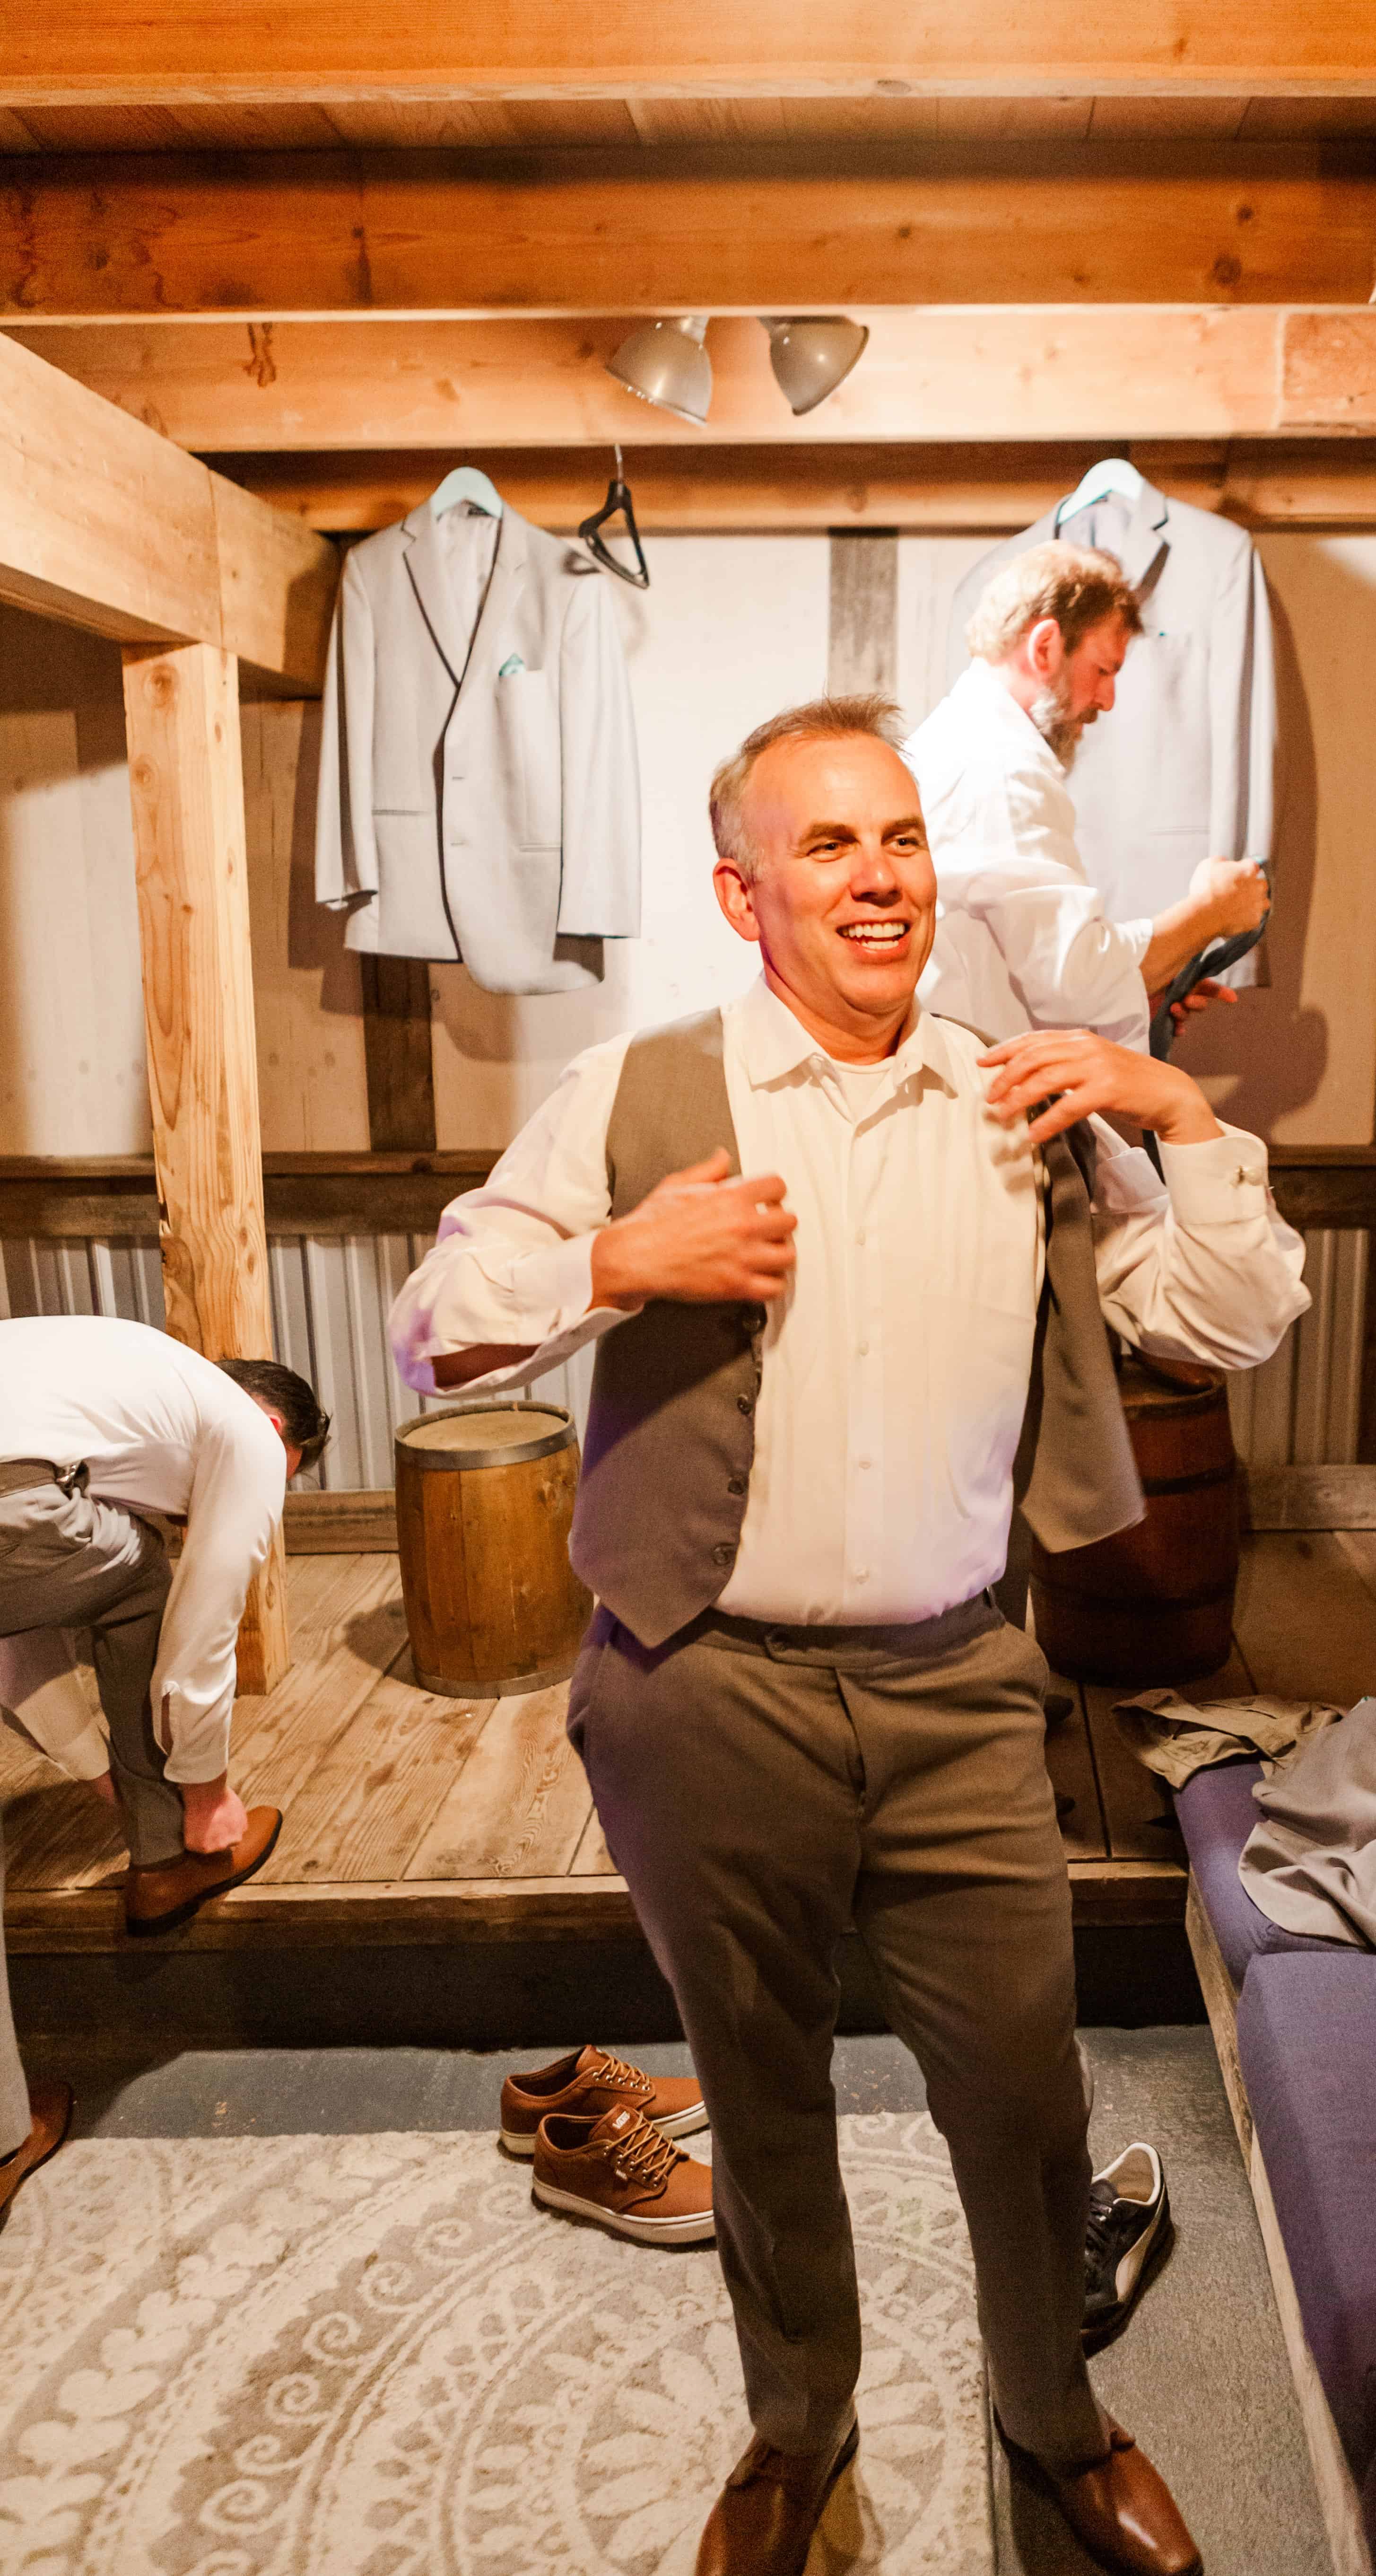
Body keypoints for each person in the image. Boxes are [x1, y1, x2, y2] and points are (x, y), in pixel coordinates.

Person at [390, 694, 1309, 2576]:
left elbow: (1221, 1318)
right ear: (745, 892)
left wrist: (1185, 1114)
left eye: (901, 837)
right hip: (700, 1687)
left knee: (1025, 2091)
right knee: (758, 2090)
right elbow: (434, 1325)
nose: (881, 875)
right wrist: (615, 1259)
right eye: (828, 843)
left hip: (963, 1685)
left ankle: (1053, 2415)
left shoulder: (1021, 1096)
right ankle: (798, 2425)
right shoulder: (640, 1092)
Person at [0, 1318, 327, 2221]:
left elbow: (12, 1632)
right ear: (274, 1429)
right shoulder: (246, 1435)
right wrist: (208, 1794)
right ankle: (169, 1856)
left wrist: (94, 1769)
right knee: (145, 1575)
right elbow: (204, 1623)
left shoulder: (95, 1379)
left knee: (109, 1559)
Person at [908, 541, 1271, 1056]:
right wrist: (1212, 912)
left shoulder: (959, 739)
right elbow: (1074, 980)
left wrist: (1145, 985)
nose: (1108, 700)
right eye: (1103, 670)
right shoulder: (1003, 768)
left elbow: (1028, 966)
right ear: (1044, 647)